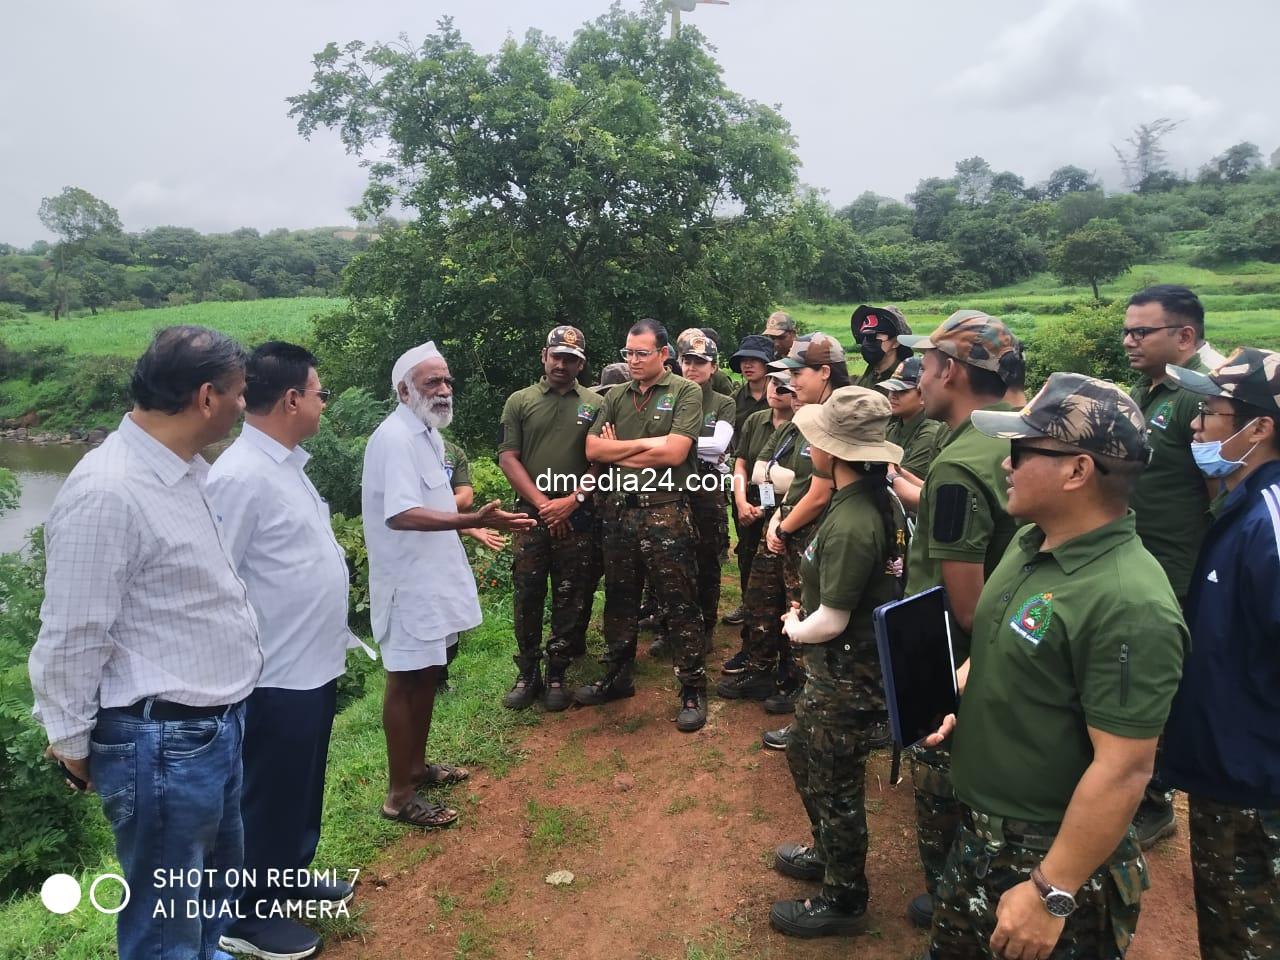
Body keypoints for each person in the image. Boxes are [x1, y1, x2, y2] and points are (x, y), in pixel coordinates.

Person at [926, 372, 1186, 960]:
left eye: (1021, 451)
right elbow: (1001, 649)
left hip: (1042, 851)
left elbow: (1124, 768)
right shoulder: (1032, 542)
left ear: (1077, 471)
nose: (1005, 464)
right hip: (985, 833)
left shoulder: (1127, 602)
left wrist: (1051, 892)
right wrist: (960, 688)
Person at [29, 326, 261, 960]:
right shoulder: (108, 491)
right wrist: (74, 743)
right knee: (165, 925)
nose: (246, 406)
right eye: (241, 395)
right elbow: (73, 633)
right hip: (161, 743)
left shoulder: (185, 471)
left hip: (211, 729)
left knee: (213, 890)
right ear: (208, 397)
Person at [204, 342, 360, 960]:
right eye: (319, 393)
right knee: (267, 793)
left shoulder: (285, 465)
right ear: (292, 398)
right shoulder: (240, 476)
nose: (323, 404)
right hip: (272, 673)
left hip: (310, 663)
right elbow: (217, 579)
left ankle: (288, 878)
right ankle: (247, 916)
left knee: (299, 785)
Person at [363, 342, 534, 828]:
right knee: (407, 679)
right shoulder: (394, 438)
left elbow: (432, 501)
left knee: (428, 674)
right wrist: (468, 519)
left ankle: (417, 768)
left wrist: (477, 521)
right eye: (431, 382)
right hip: (407, 584)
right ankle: (399, 795)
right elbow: (400, 514)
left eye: (446, 381)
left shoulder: (428, 435)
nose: (443, 389)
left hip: (430, 577)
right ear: (403, 390)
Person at [895, 310, 1022, 931]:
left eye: (927, 363)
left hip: (955, 655)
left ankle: (955, 900)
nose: (919, 375)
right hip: (1007, 655)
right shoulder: (1014, 438)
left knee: (946, 787)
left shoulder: (960, 463)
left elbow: (966, 604)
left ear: (953, 371)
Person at [768, 387, 906, 938]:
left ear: (833, 452)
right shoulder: (874, 496)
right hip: (845, 669)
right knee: (804, 752)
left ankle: (844, 898)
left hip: (848, 675)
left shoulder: (853, 520)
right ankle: (827, 852)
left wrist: (795, 628)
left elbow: (833, 619)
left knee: (835, 783)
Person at [1158, 348, 1280, 960]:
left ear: (1259, 428)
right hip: (1232, 769)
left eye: (1210, 411)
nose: (1197, 425)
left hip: (1260, 785)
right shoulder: (1243, 500)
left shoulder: (1272, 520)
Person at [578, 319, 708, 732]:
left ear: (663, 354)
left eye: (641, 353)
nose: (633, 361)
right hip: (618, 512)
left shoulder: (685, 391)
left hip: (665, 510)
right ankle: (618, 677)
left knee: (679, 601)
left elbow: (675, 454)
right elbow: (593, 448)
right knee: (619, 599)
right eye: (628, 353)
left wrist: (620, 450)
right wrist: (645, 446)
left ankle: (691, 687)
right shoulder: (615, 395)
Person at [1122, 284, 1213, 847]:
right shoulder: (1155, 390)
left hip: (1176, 573)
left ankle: (1152, 801)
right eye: (1127, 331)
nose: (1129, 341)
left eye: (1141, 332)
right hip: (1145, 565)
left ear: (1184, 335)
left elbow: (1220, 492)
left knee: (1154, 689)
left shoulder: (1199, 399)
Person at [718, 334, 844, 711]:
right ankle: (761, 670)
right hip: (786, 522)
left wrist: (784, 527)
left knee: (802, 607)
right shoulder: (802, 417)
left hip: (815, 533)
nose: (791, 382)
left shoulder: (837, 415)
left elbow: (822, 491)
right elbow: (768, 474)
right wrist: (778, 520)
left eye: (798, 372)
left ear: (825, 372)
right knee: (762, 600)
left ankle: (800, 686)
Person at [497, 326, 600, 712]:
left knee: (570, 592)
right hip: (529, 514)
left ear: (581, 363)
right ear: (544, 357)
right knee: (527, 591)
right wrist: (544, 504)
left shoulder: (594, 403)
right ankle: (528, 673)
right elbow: (509, 457)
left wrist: (572, 501)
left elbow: (601, 460)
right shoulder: (520, 401)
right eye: (556, 356)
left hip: (577, 514)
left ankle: (557, 670)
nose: (562, 363)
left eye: (571, 358)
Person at [657, 328, 735, 647]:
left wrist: (676, 443)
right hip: (671, 484)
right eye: (687, 360)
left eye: (701, 362)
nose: (692, 367)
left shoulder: (722, 402)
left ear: (713, 367)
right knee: (671, 559)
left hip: (706, 486)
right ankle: (671, 628)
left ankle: (705, 628)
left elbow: (718, 447)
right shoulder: (667, 397)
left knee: (706, 559)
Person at [722, 372, 795, 670]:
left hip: (788, 510)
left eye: (785, 383)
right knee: (752, 579)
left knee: (788, 585)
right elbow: (741, 463)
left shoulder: (802, 426)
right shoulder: (756, 420)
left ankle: (787, 654)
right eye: (772, 381)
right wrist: (740, 501)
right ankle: (753, 644)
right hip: (752, 504)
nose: (775, 389)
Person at [721, 334, 776, 626]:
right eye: (744, 360)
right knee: (746, 546)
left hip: (777, 483)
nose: (748, 365)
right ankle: (747, 602)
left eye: (755, 360)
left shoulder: (782, 395)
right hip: (744, 480)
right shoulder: (735, 400)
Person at [880, 356, 947, 516]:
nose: (892, 396)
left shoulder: (930, 433)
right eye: (891, 390)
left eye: (902, 391)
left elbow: (898, 482)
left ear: (923, 395)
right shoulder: (893, 428)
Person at [851, 304, 913, 389]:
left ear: (896, 342)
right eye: (865, 337)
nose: (867, 343)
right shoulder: (859, 383)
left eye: (873, 337)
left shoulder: (905, 384)